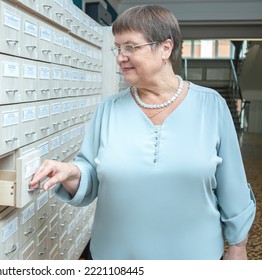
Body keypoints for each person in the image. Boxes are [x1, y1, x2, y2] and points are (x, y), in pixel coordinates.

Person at [29, 5, 256, 260]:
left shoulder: (211, 105)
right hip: (116, 259)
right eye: (118, 48)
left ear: (165, 48)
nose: (120, 57)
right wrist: (72, 172)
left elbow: (232, 185)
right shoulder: (109, 110)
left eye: (130, 47)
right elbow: (92, 178)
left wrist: (238, 247)